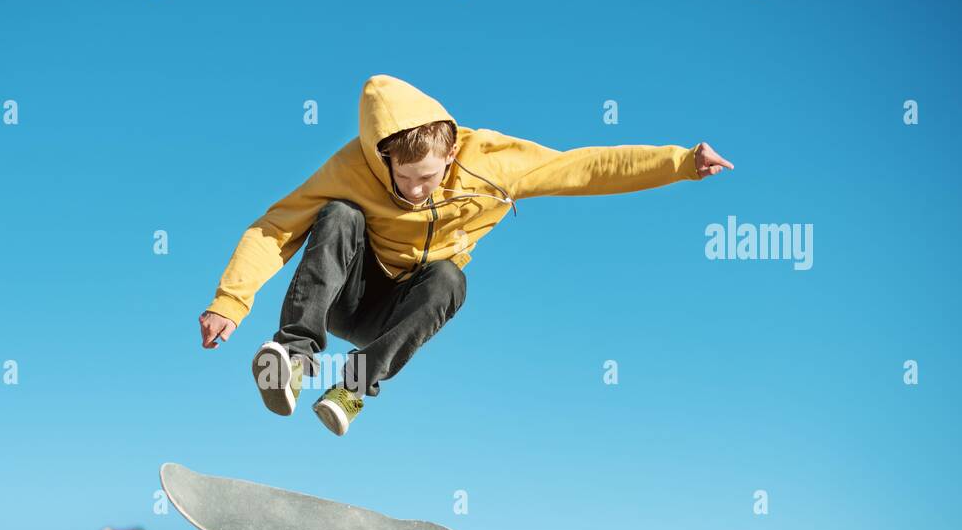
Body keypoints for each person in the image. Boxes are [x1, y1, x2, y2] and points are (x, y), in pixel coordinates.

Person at [198, 74, 733, 435]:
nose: (412, 191)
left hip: (397, 315)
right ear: (379, 155)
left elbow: (585, 168)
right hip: (344, 291)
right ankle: (294, 357)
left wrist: (680, 163)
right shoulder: (351, 168)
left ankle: (353, 388)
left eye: (426, 178)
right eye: (400, 178)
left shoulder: (495, 162)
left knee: (450, 278)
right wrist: (230, 301)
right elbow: (276, 227)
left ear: (451, 153)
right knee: (340, 214)